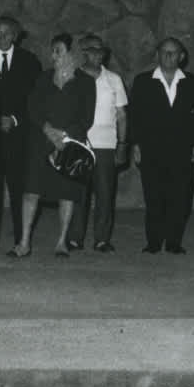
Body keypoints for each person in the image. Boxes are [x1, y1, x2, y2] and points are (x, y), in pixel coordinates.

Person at [13, 33, 96, 258]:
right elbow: (32, 108)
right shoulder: (43, 78)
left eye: (58, 50)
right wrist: (47, 129)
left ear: (71, 54)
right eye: (52, 51)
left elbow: (86, 118)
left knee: (66, 193)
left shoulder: (86, 82)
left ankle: (61, 242)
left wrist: (66, 135)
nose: (53, 56)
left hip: (68, 145)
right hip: (41, 142)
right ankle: (23, 242)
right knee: (31, 191)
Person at [129, 37, 194, 254]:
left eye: (174, 52)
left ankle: (174, 242)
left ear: (182, 57)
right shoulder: (143, 81)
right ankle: (153, 242)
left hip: (182, 149)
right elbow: (134, 115)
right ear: (157, 54)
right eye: (164, 52)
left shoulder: (193, 83)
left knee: (180, 197)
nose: (169, 56)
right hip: (152, 148)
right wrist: (135, 144)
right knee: (154, 196)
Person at [67, 34, 128, 253]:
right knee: (78, 194)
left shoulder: (114, 79)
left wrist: (122, 145)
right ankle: (74, 238)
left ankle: (102, 239)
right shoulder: (71, 77)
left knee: (104, 194)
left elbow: (121, 115)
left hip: (106, 145)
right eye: (93, 50)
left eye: (101, 50)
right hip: (78, 144)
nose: (98, 54)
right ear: (83, 53)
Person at [0, 15, 41, 256]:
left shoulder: (30, 61)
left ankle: (22, 241)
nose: (2, 38)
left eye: (7, 33)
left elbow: (35, 99)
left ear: (16, 36)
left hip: (19, 137)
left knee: (19, 190)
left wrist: (15, 119)